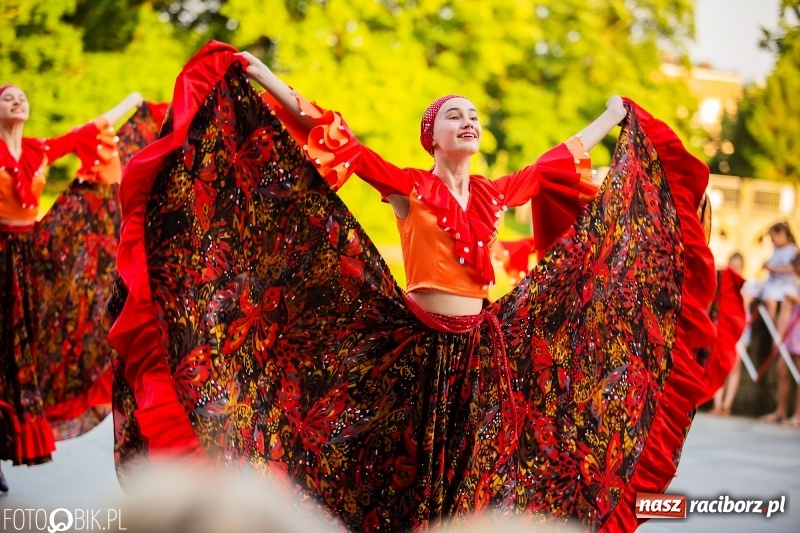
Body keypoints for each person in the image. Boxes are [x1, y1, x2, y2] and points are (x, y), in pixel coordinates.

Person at [107, 41, 715, 532]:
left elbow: (559, 158)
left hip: (480, 349)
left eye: (473, 116)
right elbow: (335, 138)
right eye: (455, 115)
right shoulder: (409, 187)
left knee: (475, 468)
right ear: (433, 135)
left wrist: (615, 115)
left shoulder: (493, 193)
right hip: (415, 346)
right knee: (392, 466)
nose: (468, 122)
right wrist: (263, 74)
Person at [0, 84, 142, 492]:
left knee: (22, 354)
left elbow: (88, 131)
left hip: (28, 262)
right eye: (7, 97)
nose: (17, 101)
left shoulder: (37, 150)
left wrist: (130, 102)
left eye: (22, 97)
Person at [759, 222, 799, 423]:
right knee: (782, 369)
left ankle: (797, 415)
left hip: (796, 332)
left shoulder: (791, 283)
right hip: (790, 334)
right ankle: (781, 410)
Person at [708, 252, 747, 415]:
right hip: (724, 327)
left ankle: (727, 405)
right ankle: (718, 404)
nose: (735, 269)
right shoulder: (723, 282)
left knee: (734, 367)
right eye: (733, 266)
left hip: (741, 329)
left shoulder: (744, 285)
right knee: (720, 363)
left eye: (738, 267)